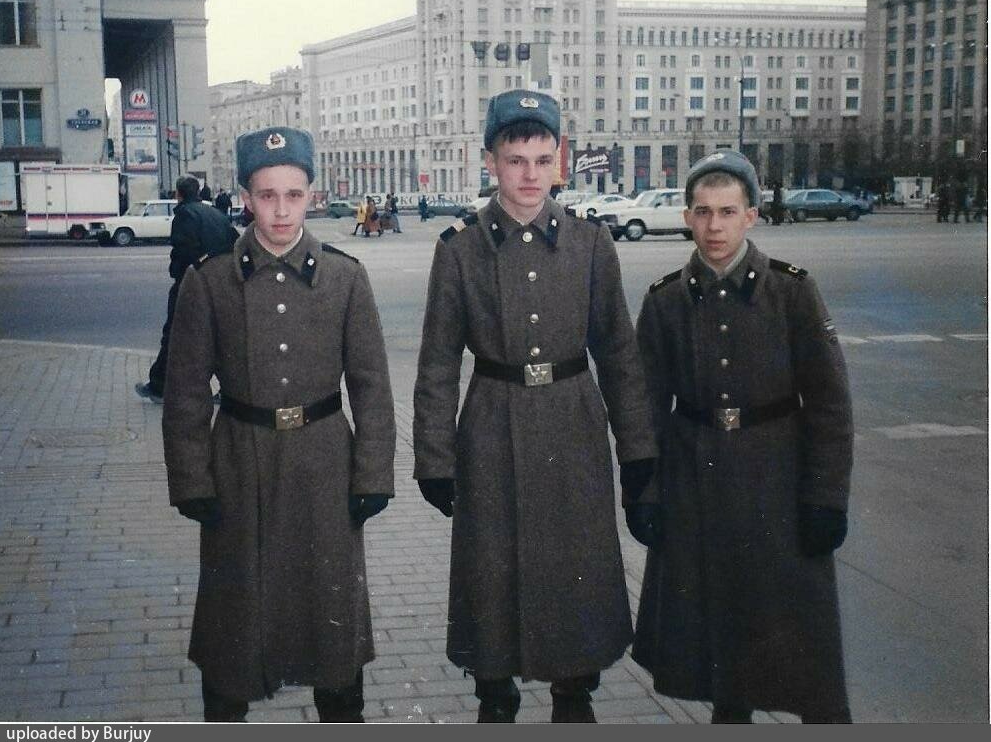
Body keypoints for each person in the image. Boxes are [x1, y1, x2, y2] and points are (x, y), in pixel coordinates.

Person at [413, 89, 657, 723]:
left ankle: (573, 695)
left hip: (574, 423)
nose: (529, 175)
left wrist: (638, 453)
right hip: (491, 425)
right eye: (515, 160)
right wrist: (434, 458)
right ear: (490, 161)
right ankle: (494, 694)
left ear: (560, 161)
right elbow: (438, 362)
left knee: (575, 561)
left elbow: (619, 354)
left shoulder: (590, 243)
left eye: (542, 160)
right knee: (490, 562)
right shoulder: (459, 248)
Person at [163, 126, 395, 722]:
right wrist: (192, 479)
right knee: (233, 618)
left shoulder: (345, 277)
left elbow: (371, 385)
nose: (282, 210)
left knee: (331, 616)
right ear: (246, 198)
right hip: (239, 464)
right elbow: (186, 392)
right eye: (267, 196)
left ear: (312, 194)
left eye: (294, 194)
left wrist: (373, 473)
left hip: (324, 464)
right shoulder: (209, 280)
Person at [629, 150, 853, 724]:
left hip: (778, 482)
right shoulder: (665, 301)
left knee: (802, 649)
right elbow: (645, 411)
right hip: (697, 485)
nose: (715, 227)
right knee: (720, 640)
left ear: (751, 215)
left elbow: (829, 405)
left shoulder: (793, 292)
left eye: (728, 212)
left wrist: (826, 498)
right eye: (703, 212)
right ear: (686, 216)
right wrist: (645, 494)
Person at [135, 175, 238, 404]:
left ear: (178, 194)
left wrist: (181, 273)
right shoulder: (215, 213)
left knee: (174, 334)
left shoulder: (184, 214)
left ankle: (159, 386)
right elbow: (234, 240)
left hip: (192, 283)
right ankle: (232, 390)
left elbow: (184, 250)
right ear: (198, 191)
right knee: (220, 338)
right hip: (221, 282)